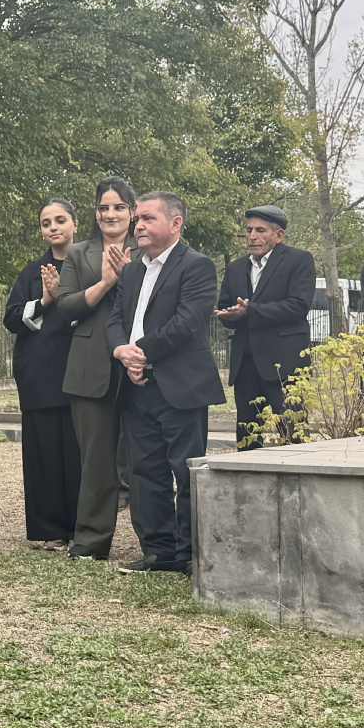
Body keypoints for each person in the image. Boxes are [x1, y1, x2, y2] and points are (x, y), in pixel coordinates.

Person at [107, 192, 223, 574]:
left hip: (179, 384)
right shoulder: (131, 270)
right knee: (145, 472)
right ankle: (159, 552)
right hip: (136, 385)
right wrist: (122, 352)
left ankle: (191, 554)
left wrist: (141, 352)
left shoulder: (197, 266)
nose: (138, 225)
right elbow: (113, 320)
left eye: (147, 218)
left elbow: (188, 322)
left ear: (175, 224)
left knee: (185, 470)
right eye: (137, 218)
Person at [56, 178, 137, 561]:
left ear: (132, 212)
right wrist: (105, 283)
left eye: (118, 207)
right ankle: (90, 540)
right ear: (95, 214)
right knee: (96, 459)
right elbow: (66, 306)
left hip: (139, 363)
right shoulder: (79, 253)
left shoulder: (147, 249)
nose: (110, 214)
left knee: (143, 457)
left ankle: (157, 542)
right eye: (104, 208)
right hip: (90, 365)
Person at [3, 198, 80, 547]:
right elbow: (11, 317)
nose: (53, 227)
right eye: (46, 222)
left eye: (60, 219)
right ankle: (48, 530)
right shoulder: (32, 272)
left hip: (81, 370)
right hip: (40, 373)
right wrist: (46, 301)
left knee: (78, 452)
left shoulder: (90, 266)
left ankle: (83, 527)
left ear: (75, 224)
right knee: (44, 452)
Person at [215, 206, 318, 449]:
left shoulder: (299, 260)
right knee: (247, 436)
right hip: (246, 364)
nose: (252, 236)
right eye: (249, 230)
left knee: (292, 435)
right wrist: (229, 315)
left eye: (260, 230)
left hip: (285, 364)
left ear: (279, 235)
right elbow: (224, 307)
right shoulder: (236, 268)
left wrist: (251, 310)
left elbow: (298, 306)